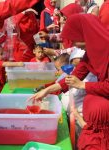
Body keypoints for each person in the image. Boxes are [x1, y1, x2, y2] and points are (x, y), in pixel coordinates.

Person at [30, 14, 109, 149]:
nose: (72, 45)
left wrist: (83, 85)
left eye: (75, 40)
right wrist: (47, 90)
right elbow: (74, 76)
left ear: (86, 35)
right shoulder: (90, 53)